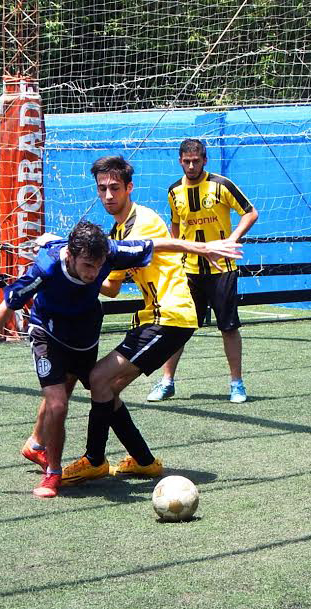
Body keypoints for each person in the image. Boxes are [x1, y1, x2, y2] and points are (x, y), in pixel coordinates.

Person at [0, 220, 240, 499]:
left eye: (98, 266)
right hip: (47, 333)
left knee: (102, 389)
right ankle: (54, 473)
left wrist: (205, 248)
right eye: (87, 265)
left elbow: (157, 244)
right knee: (58, 403)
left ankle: (136, 459)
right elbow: (7, 306)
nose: (93, 273)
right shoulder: (46, 268)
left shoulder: (110, 252)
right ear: (71, 256)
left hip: (85, 337)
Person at [61, 155, 241, 487]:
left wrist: (64, 255)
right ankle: (144, 461)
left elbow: (146, 247)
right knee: (106, 389)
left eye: (115, 188)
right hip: (153, 318)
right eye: (102, 189)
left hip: (170, 316)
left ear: (129, 188)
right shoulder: (117, 229)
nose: (108, 195)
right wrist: (78, 274)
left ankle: (95, 460)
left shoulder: (142, 222)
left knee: (99, 378)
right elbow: (111, 287)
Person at [146, 138, 258, 404]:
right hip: (188, 270)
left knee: (228, 327)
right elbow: (175, 226)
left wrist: (231, 240)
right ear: (180, 161)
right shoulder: (174, 191)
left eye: (196, 161)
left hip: (222, 269)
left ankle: (236, 384)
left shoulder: (222, 185)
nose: (191, 166)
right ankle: (167, 382)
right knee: (178, 327)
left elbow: (250, 213)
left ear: (205, 160)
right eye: (186, 161)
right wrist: (175, 256)